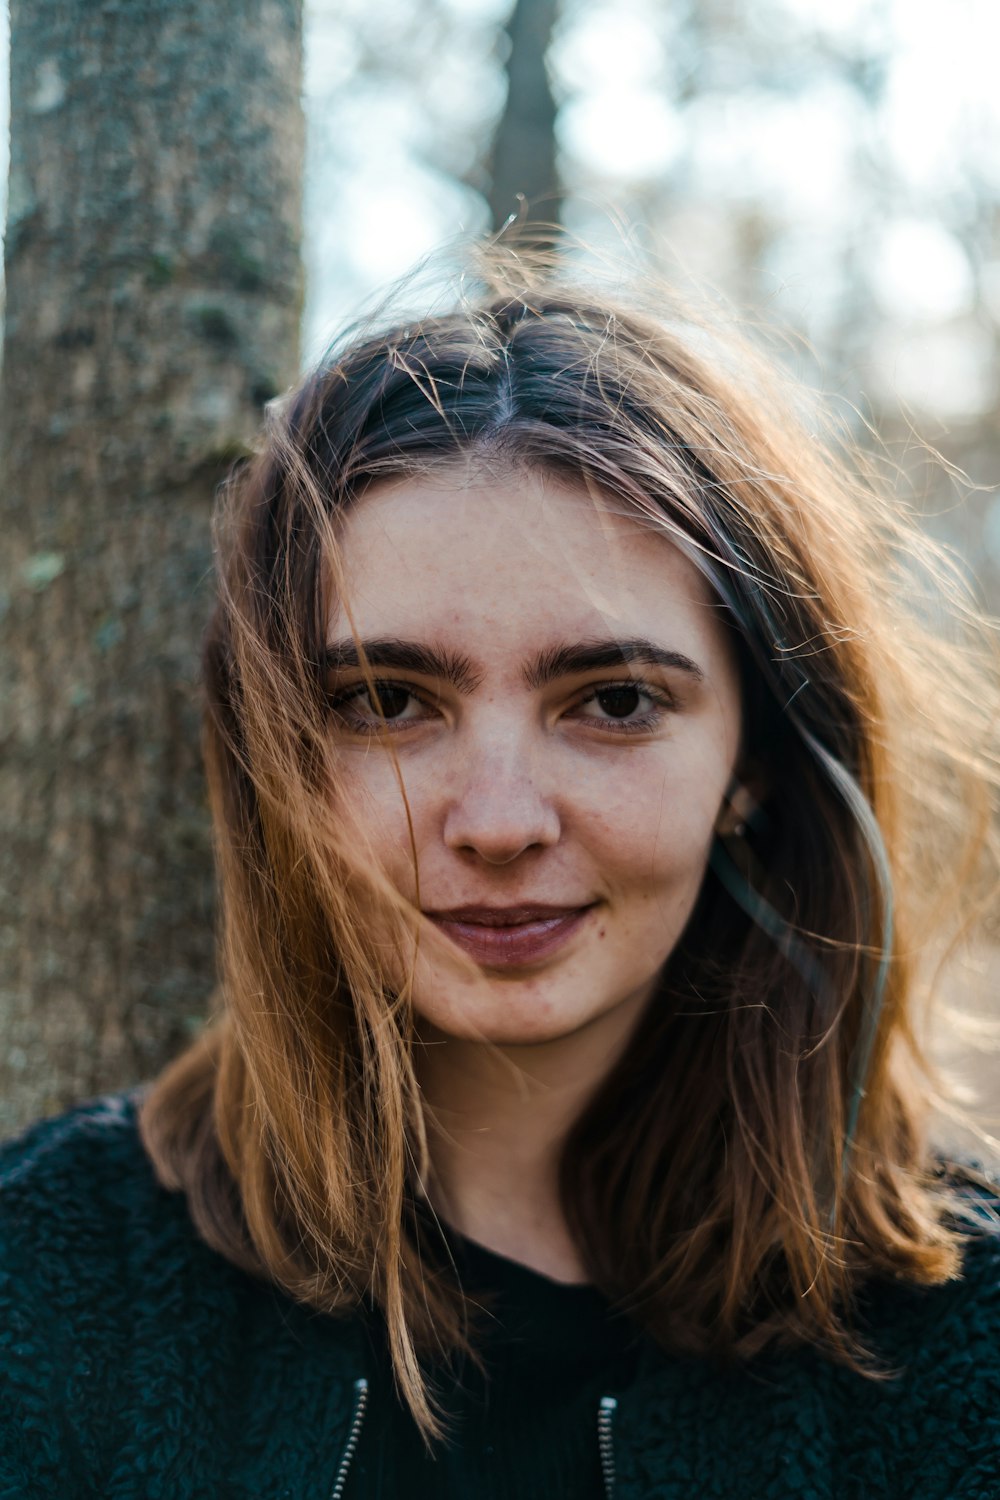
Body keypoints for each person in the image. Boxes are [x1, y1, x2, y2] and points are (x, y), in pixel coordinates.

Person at [2, 251, 999, 1499]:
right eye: (384, 701)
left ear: (755, 759)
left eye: (616, 700)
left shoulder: (955, 1340)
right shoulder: (52, 1279)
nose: (497, 821)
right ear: (275, 759)